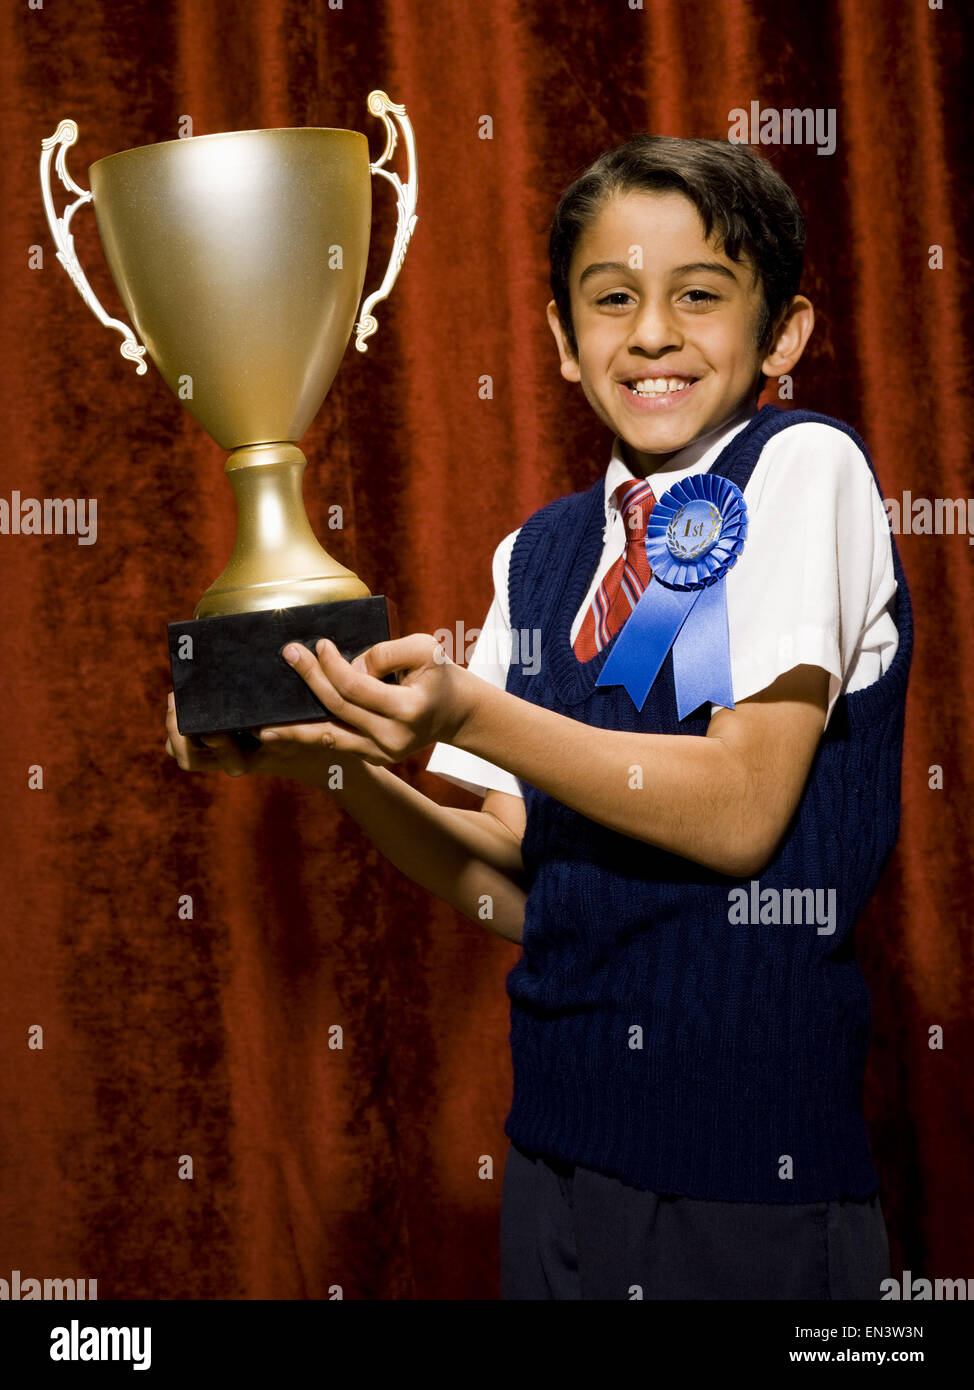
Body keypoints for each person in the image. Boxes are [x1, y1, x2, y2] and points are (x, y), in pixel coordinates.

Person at [165, 135, 912, 1300]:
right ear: (564, 341)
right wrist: (340, 764)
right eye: (610, 299)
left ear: (783, 335)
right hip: (556, 1160)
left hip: (744, 1182)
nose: (651, 332)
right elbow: (520, 885)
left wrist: (466, 707)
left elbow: (740, 814)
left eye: (698, 297)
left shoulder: (801, 467)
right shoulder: (544, 552)